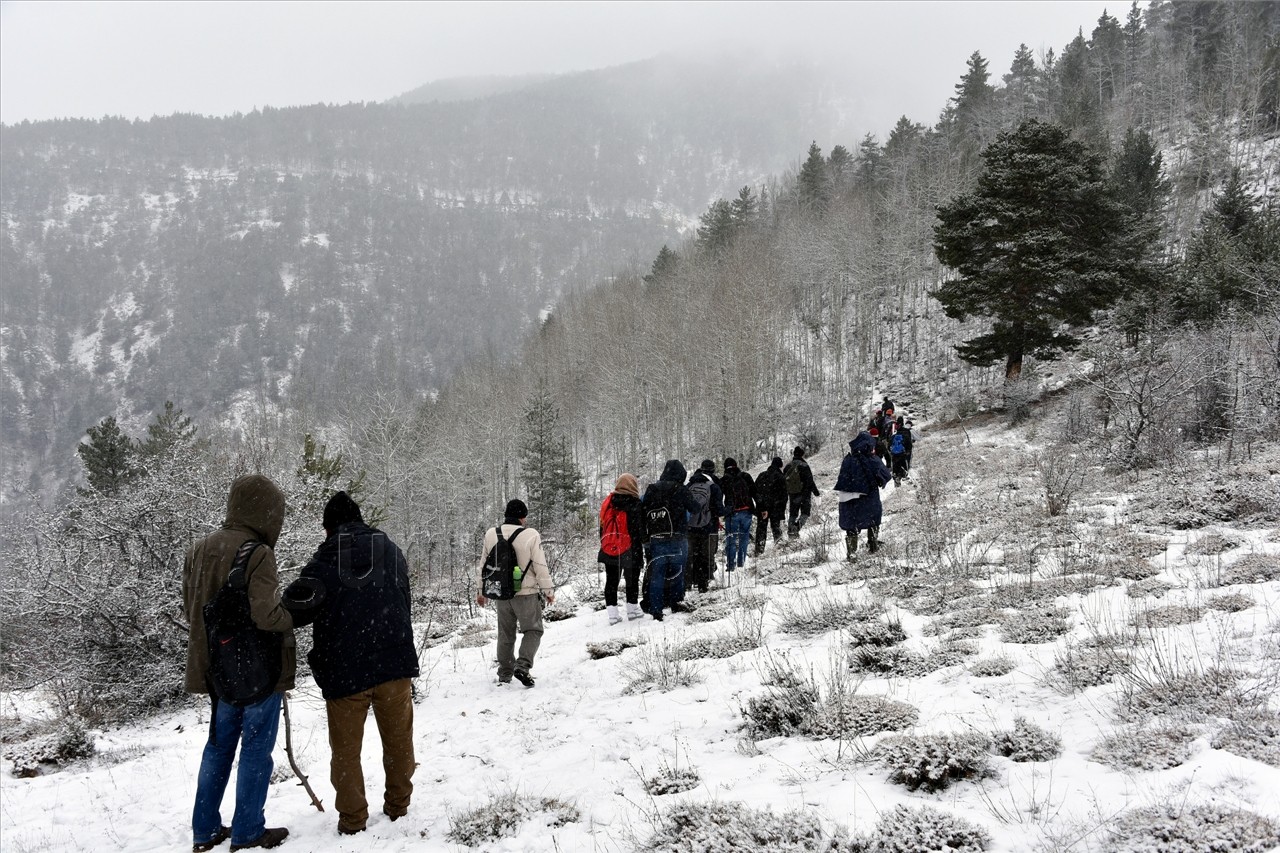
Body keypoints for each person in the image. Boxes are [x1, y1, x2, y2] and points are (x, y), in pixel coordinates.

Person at [282, 492, 418, 836]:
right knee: (399, 741)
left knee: (345, 752)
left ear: (328, 528)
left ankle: (353, 819)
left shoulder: (325, 559)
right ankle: (399, 805)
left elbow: (295, 609)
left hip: (345, 670)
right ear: (359, 519)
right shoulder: (390, 550)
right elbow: (404, 598)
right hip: (393, 661)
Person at [183, 474, 293, 853]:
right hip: (256, 670)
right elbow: (267, 616)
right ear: (266, 513)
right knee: (256, 748)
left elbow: (190, 609)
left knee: (217, 748)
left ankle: (205, 830)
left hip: (216, 669)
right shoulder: (257, 553)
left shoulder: (198, 549)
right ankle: (247, 831)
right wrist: (293, 614)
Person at [475, 499, 555, 686]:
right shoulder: (530, 535)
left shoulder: (491, 534)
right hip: (526, 593)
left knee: (505, 634)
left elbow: (483, 566)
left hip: (501, 593)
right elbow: (540, 565)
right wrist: (548, 590)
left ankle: (505, 673)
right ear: (522, 517)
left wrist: (480, 591)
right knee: (533, 630)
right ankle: (523, 666)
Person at [640, 460, 701, 620]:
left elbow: (642, 512)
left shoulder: (652, 489)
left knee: (657, 574)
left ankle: (656, 609)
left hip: (656, 538)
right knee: (677, 572)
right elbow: (695, 508)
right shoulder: (681, 489)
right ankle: (676, 602)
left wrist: (645, 536)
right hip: (677, 537)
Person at [834, 432, 893, 560]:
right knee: (873, 519)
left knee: (851, 524)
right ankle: (873, 545)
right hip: (869, 496)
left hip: (848, 499)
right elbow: (886, 475)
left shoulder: (847, 459)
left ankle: (851, 553)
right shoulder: (871, 459)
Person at [597, 474, 646, 623]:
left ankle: (613, 615)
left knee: (611, 581)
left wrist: (608, 543)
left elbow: (602, 526)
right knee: (632, 580)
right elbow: (640, 529)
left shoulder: (608, 502)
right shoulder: (635, 503)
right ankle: (632, 610)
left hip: (609, 547)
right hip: (631, 548)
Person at [685, 460, 724, 593]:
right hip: (709, 526)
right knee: (706, 554)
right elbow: (719, 509)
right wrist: (728, 509)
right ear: (713, 470)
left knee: (691, 555)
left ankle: (688, 583)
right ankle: (703, 584)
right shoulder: (714, 486)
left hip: (690, 526)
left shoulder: (690, 485)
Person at [719, 457, 756, 573]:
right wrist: (761, 508)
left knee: (731, 539)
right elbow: (755, 492)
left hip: (732, 513)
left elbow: (718, 498)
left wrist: (722, 511)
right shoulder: (745, 476)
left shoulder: (724, 479)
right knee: (744, 537)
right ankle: (741, 562)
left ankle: (731, 565)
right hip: (747, 511)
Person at [752, 456, 787, 556]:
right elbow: (784, 496)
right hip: (776, 507)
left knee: (761, 528)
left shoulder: (762, 475)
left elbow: (755, 491)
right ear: (780, 465)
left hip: (762, 507)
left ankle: (759, 550)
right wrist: (782, 510)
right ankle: (779, 549)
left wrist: (760, 505)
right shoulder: (781, 477)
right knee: (776, 527)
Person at [783, 447, 820, 538]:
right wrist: (816, 493)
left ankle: (790, 532)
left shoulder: (788, 466)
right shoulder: (804, 466)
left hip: (792, 494)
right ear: (802, 454)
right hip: (805, 494)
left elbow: (784, 481)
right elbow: (810, 481)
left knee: (793, 514)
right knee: (805, 513)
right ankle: (796, 528)